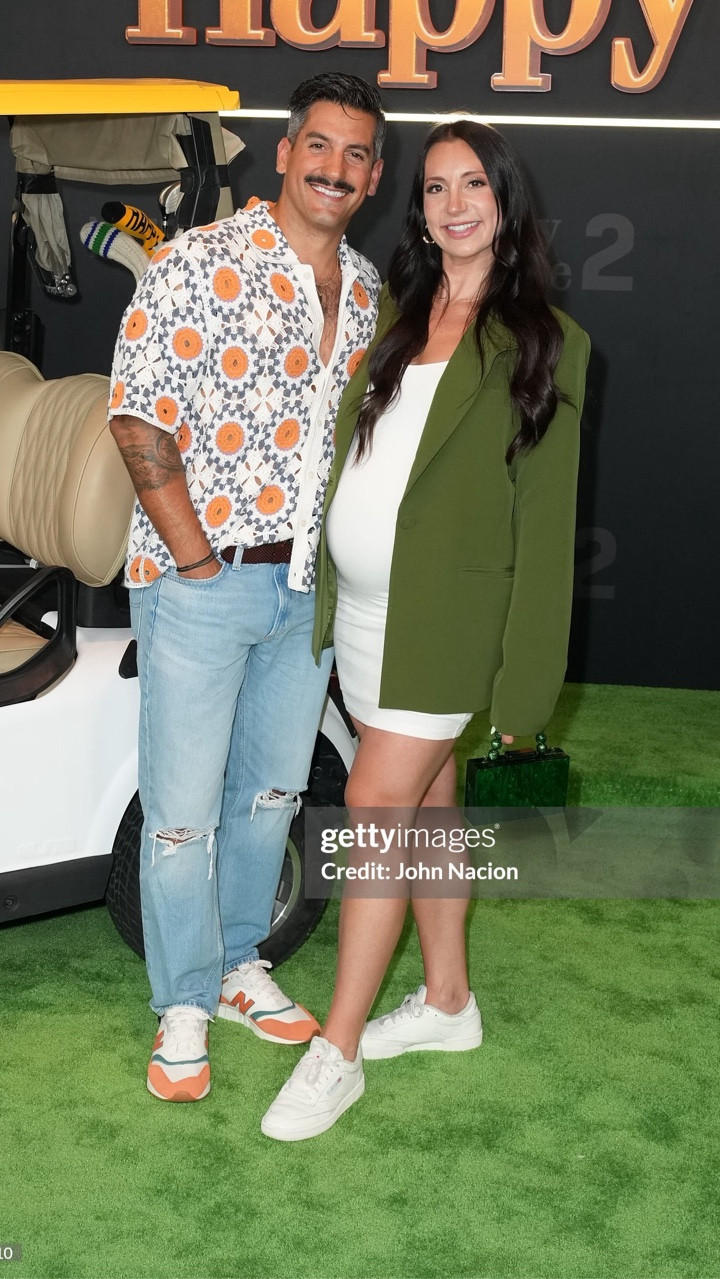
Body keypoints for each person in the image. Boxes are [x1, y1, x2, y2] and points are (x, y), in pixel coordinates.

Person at [261, 118, 590, 1141]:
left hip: (449, 626)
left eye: (473, 186)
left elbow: (545, 537)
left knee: (372, 805)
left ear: (506, 201)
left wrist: (526, 702)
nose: (453, 205)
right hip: (364, 619)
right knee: (427, 795)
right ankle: (448, 1000)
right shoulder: (397, 317)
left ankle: (339, 1050)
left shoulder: (550, 343)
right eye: (436, 188)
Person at [108, 73, 385, 1102]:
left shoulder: (366, 290)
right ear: (284, 152)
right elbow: (137, 415)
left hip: (309, 592)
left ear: (374, 174)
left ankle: (235, 965)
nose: (336, 168)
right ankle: (180, 1000)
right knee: (180, 813)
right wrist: (192, 559)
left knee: (271, 793)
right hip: (203, 580)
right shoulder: (195, 262)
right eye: (320, 145)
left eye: (357, 154)